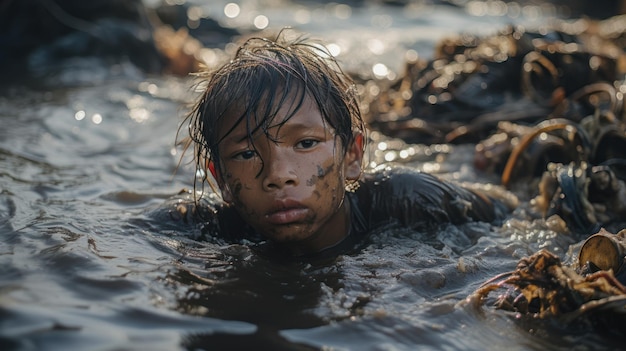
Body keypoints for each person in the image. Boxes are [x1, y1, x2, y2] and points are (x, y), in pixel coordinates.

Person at [164, 30, 512, 260]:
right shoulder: (212, 227)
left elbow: (511, 213)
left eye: (305, 143)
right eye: (246, 153)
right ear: (220, 179)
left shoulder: (406, 199)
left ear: (352, 156)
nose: (278, 175)